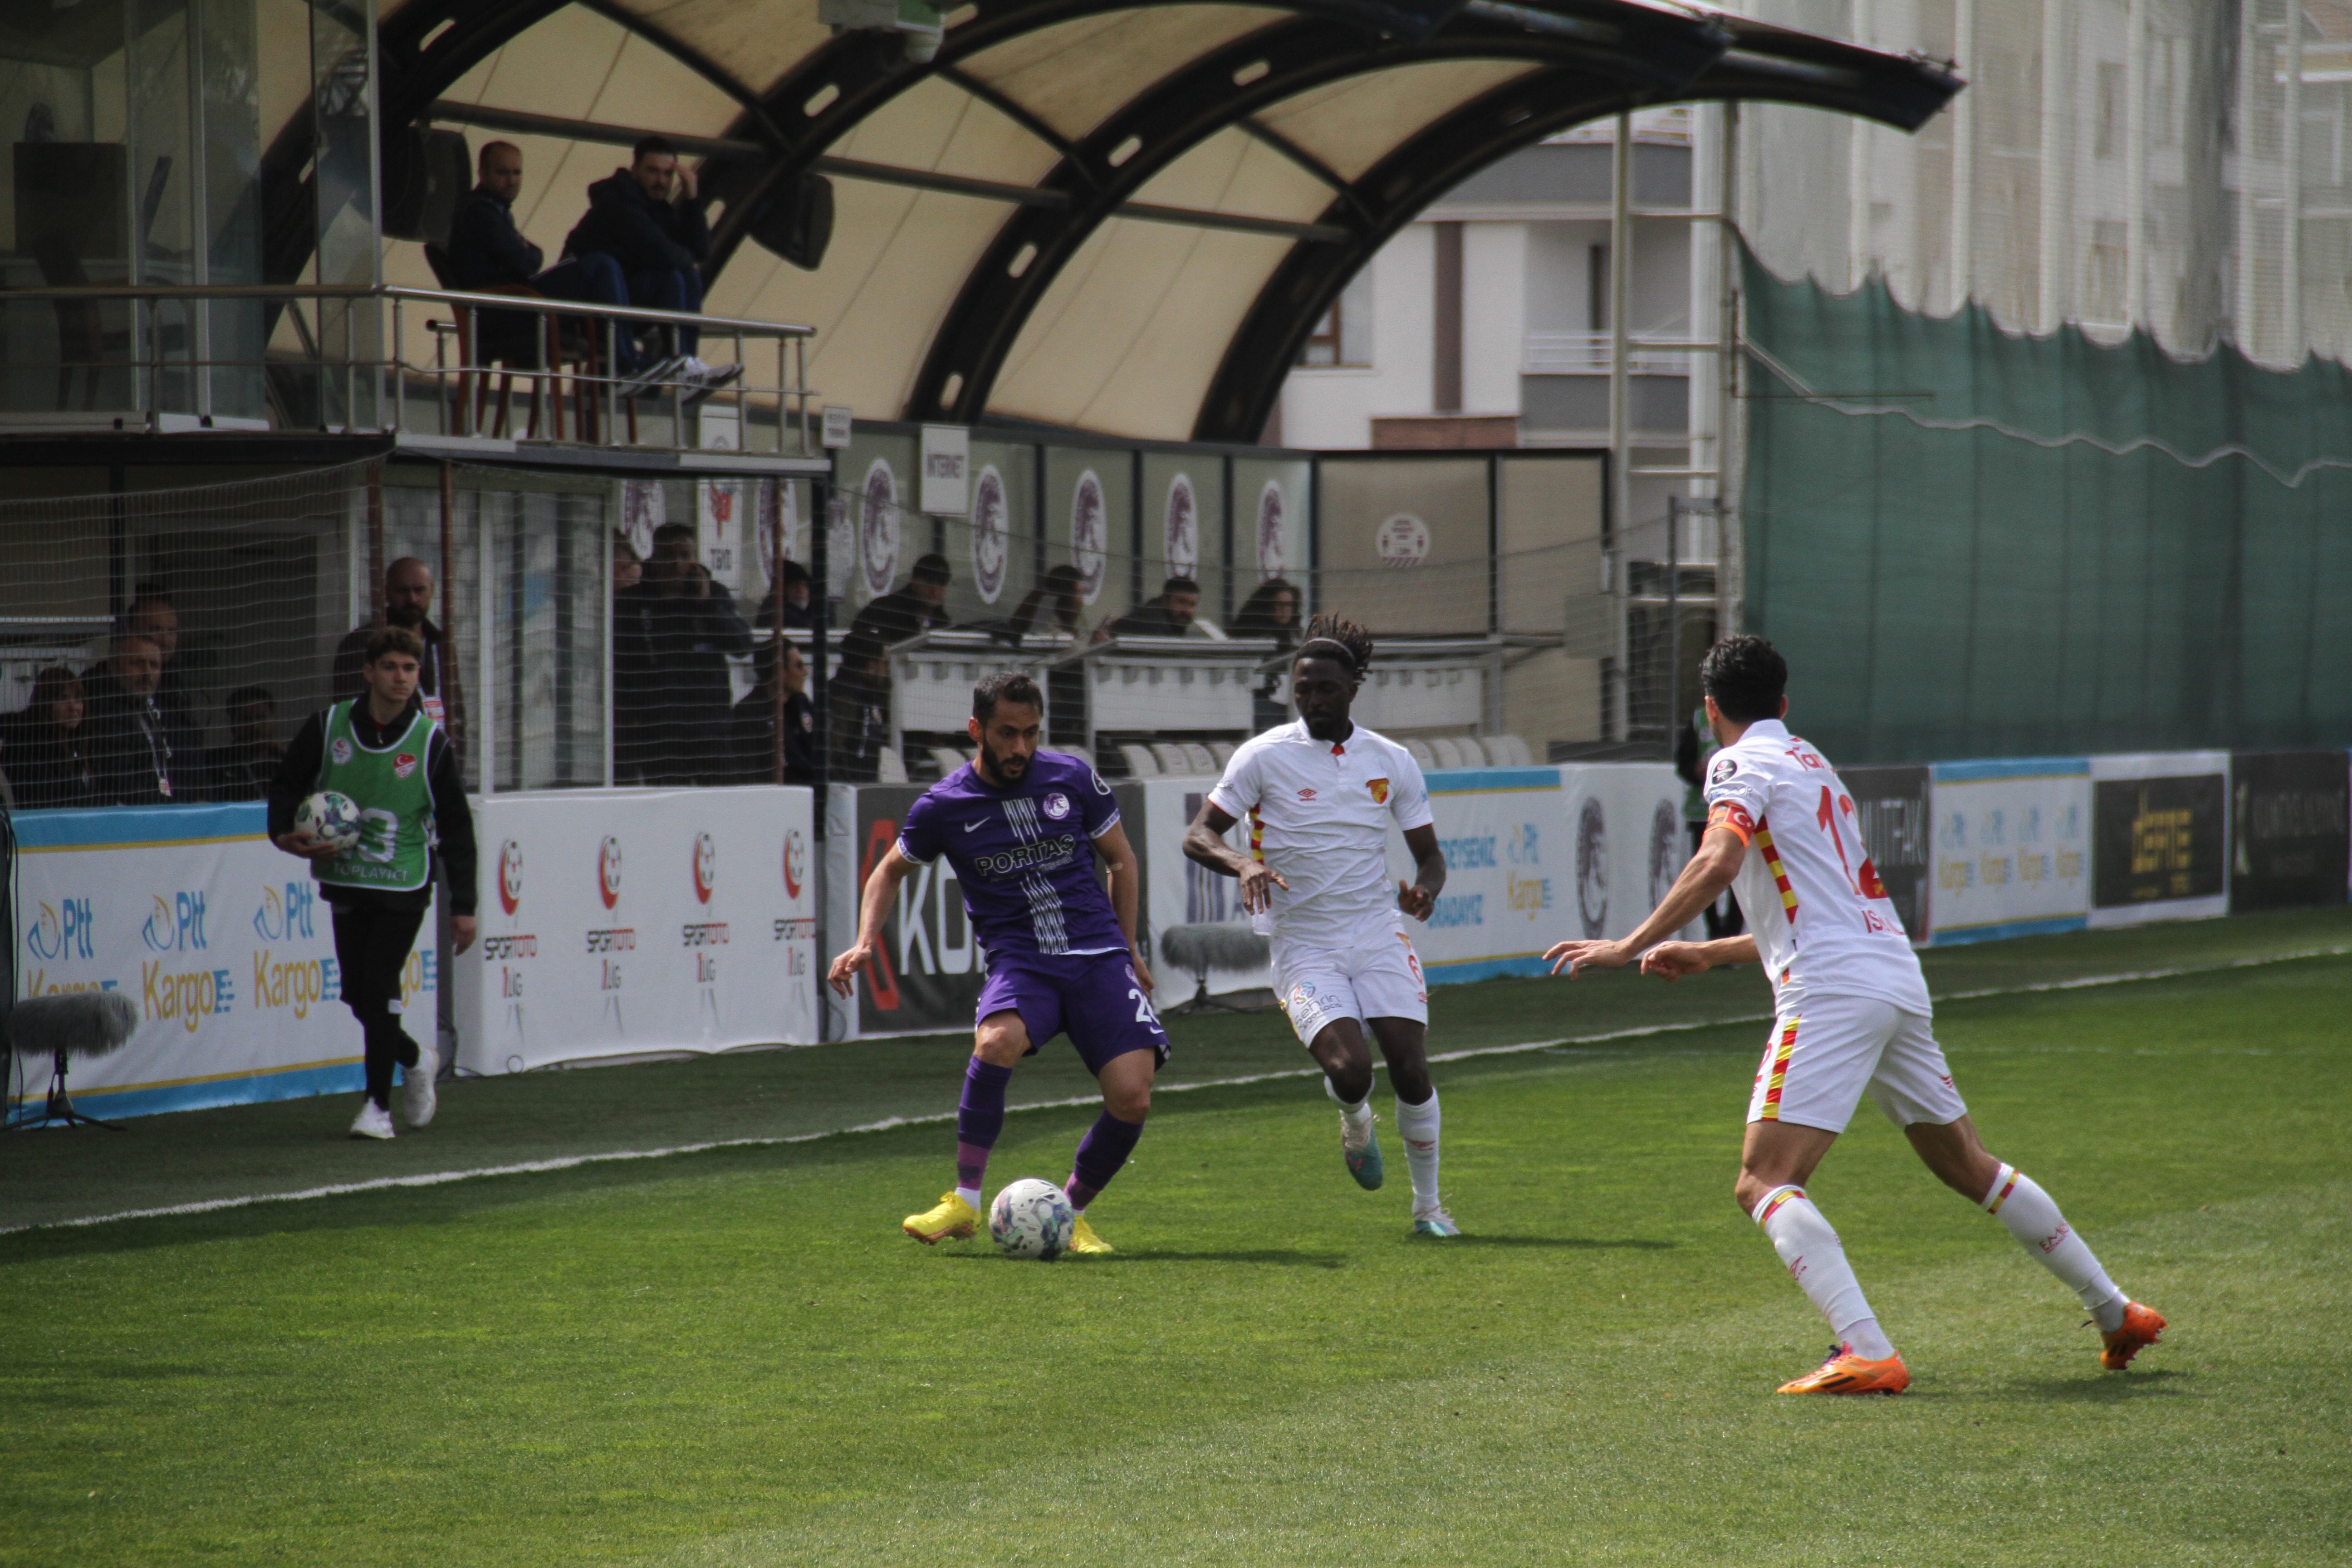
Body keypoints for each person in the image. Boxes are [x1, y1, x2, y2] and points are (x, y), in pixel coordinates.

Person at [1543, 635, 2165, 1395]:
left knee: (1762, 1177)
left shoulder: (1734, 763)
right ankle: (2114, 1311)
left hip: (1832, 989)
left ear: (1710, 712)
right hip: (1890, 975)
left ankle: (1864, 1348)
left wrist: (1625, 944)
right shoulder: (1810, 763)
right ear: (1782, 703)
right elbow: (1823, 906)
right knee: (1965, 1163)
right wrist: (1711, 953)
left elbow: (1717, 860)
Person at [828, 671, 1165, 1255]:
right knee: (994, 1044)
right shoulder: (945, 805)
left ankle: (1073, 1213)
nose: (1020, 749)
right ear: (976, 730)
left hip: (1096, 954)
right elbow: (889, 871)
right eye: (1007, 735)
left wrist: (1130, 948)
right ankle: (963, 1201)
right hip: (1023, 961)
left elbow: (1122, 861)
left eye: (1031, 734)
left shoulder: (1073, 778)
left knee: (1133, 1097)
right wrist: (863, 941)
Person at [1182, 614, 1457, 1235]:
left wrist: (1425, 892)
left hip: (1376, 931)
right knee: (1350, 1071)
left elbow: (1432, 857)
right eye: (1302, 689)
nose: (1312, 700)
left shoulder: (1392, 760)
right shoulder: (1264, 756)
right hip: (1304, 943)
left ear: (1352, 689)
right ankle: (1356, 1123)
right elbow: (1199, 834)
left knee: (1411, 1068)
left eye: (1325, 689)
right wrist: (1241, 861)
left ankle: (1430, 1209)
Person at [269, 627, 479, 1141]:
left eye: (410, 669)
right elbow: (287, 782)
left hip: (404, 881)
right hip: (346, 879)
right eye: (391, 667)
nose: (401, 678)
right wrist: (283, 834)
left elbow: (456, 825)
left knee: (382, 988)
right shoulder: (329, 726)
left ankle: (376, 1108)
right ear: (369, 672)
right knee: (357, 996)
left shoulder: (429, 742)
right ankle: (416, 1058)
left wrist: (465, 904)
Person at [542, 136, 739, 397]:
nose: (661, 181)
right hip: (590, 302)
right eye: (652, 171)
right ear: (634, 170)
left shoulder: (659, 209)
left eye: (668, 174)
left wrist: (692, 197)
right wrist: (682, 256)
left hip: (623, 299)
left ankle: (687, 363)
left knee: (688, 276)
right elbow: (662, 254)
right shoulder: (618, 202)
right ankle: (655, 364)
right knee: (673, 277)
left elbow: (701, 252)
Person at [614, 521, 752, 785]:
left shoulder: (714, 595)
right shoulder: (632, 603)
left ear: (695, 560)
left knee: (720, 803)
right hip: (659, 732)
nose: (677, 564)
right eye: (668, 556)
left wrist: (707, 606)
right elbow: (621, 665)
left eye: (685, 556)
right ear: (654, 559)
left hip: (710, 729)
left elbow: (742, 646)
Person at [331, 558, 465, 742]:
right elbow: (349, 713)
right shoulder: (362, 643)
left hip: (436, 757)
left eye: (419, 590)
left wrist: (454, 763)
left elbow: (457, 712)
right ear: (387, 592)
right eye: (403, 591)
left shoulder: (442, 644)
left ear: (432, 590)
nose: (412, 599)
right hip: (386, 758)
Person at [442, 140, 545, 365]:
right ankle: (619, 361)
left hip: (501, 308)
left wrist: (529, 252)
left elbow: (524, 257)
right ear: (482, 173)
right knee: (594, 268)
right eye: (503, 173)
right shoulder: (481, 212)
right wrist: (530, 252)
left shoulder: (489, 210)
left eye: (517, 173)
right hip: (499, 314)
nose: (512, 182)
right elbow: (525, 262)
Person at [1673, 700, 1743, 940]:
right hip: (1702, 811)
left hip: (1739, 811)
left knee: (1739, 875)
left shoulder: (1748, 714)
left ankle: (1732, 936)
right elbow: (1682, 763)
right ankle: (1714, 934)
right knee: (1706, 873)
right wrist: (1697, 772)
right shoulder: (1699, 718)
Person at [81, 634, 177, 804]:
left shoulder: (140, 703)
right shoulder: (102, 711)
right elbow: (121, 782)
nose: (147, 673)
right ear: (114, 668)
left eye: (154, 665)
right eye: (137, 664)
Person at [122, 588, 203, 764]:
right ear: (131, 631)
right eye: (156, 629)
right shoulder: (117, 685)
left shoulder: (178, 684)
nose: (166, 640)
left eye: (172, 631)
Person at [2, 666, 98, 810]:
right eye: (63, 699)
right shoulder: (31, 750)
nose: (73, 707)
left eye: (78, 699)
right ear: (46, 704)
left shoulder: (78, 743)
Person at [730, 640, 814, 784]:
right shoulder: (749, 714)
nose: (805, 672)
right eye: (799, 666)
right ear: (780, 672)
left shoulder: (802, 704)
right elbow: (749, 773)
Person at [1230, 578, 1301, 731]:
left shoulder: (1292, 635)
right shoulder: (1252, 632)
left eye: (1289, 605)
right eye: (1280, 605)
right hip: (1253, 700)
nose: (1285, 610)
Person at [848, 553, 952, 647]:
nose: (935, 592)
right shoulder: (885, 610)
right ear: (915, 583)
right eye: (930, 583)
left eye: (941, 585)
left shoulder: (942, 622)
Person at [826, 633, 891, 784]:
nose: (887, 672)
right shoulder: (846, 698)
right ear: (871, 666)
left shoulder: (868, 696)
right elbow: (834, 749)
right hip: (848, 792)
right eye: (885, 664)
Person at [202, 686, 284, 802]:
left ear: (274, 720)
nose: (255, 727)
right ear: (233, 724)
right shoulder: (213, 764)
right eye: (246, 720)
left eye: (261, 719)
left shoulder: (286, 763)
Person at [1098, 575, 1200, 641]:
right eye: (1181, 602)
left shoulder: (1170, 623)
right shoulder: (1153, 623)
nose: (1187, 610)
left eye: (1192, 605)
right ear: (1165, 600)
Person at [1007, 564, 1085, 644]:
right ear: (1066, 594)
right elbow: (1046, 645)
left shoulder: (1070, 615)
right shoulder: (1044, 612)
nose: (1081, 600)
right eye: (1077, 593)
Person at [755, 559, 814, 630]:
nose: (801, 591)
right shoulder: (777, 613)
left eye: (805, 586)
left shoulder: (808, 613)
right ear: (782, 590)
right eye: (794, 586)